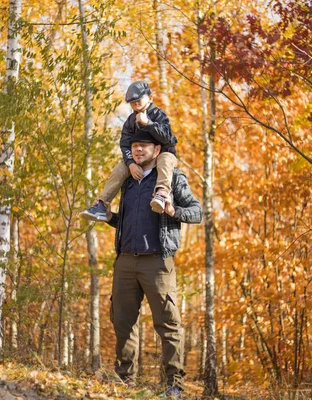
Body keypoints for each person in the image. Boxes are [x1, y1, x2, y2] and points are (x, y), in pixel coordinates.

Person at [102, 130, 202, 398]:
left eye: (144, 146)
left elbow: (197, 211)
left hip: (158, 263)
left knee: (168, 325)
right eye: (134, 146)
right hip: (125, 260)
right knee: (122, 321)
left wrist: (172, 211)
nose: (138, 151)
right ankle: (124, 382)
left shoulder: (171, 179)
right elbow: (125, 219)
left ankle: (174, 385)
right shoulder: (129, 181)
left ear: (157, 151)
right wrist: (111, 217)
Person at [81, 80, 178, 221]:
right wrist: (131, 163)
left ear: (150, 98)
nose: (136, 103)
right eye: (132, 102)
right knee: (119, 169)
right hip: (141, 159)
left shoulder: (158, 114)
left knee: (165, 160)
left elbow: (168, 138)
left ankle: (161, 194)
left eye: (139, 99)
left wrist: (148, 124)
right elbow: (125, 144)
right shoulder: (130, 121)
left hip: (163, 154)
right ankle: (101, 204)